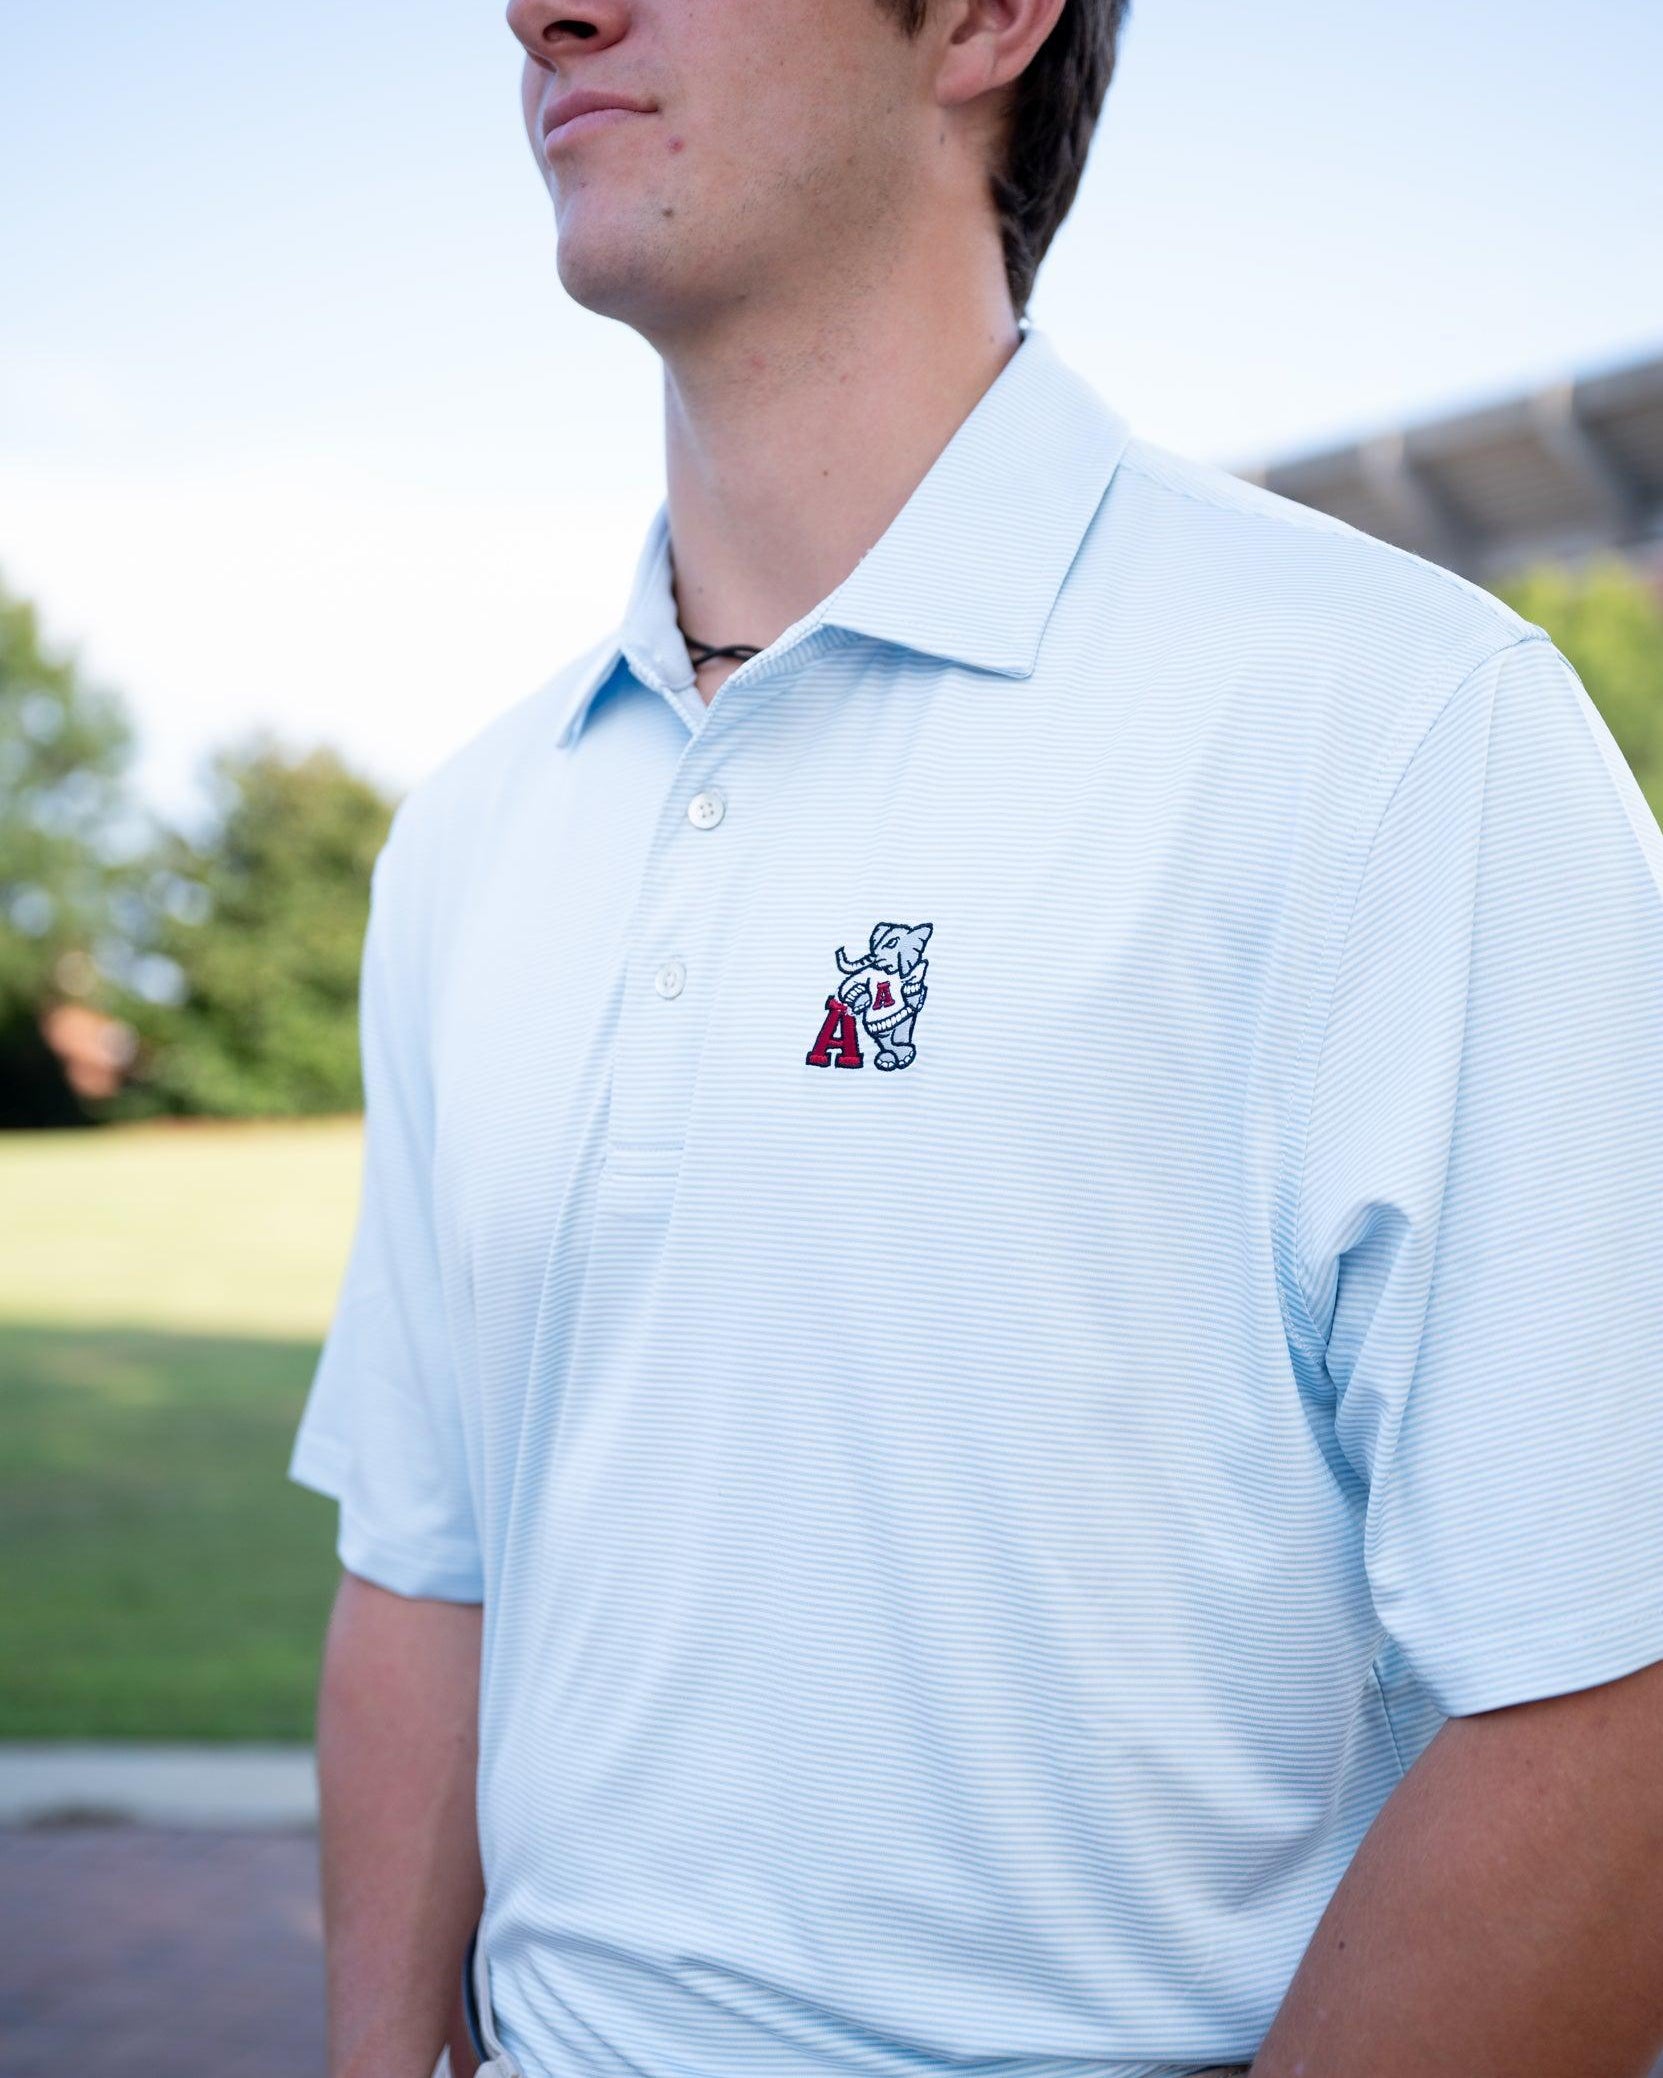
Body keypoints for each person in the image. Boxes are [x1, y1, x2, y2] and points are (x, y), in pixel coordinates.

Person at [286, 1, 1663, 2074]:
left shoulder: (1393, 731)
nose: (542, 6)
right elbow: (424, 1558)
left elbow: (1613, 1702)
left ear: (991, 17)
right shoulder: (475, 832)